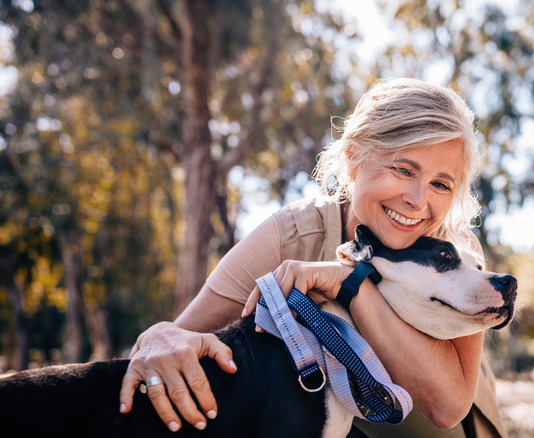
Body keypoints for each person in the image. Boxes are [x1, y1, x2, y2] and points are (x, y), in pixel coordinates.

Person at [118, 78, 508, 438]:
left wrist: (348, 283)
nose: (418, 200)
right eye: (404, 170)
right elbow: (182, 334)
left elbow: (447, 406)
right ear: (354, 158)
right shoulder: (292, 235)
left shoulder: (458, 255)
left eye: (441, 184)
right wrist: (158, 336)